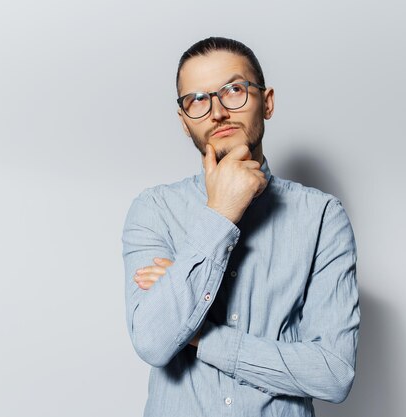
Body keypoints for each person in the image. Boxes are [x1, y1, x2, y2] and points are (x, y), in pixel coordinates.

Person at [122, 36, 360, 417]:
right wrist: (220, 213)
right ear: (184, 122)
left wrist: (200, 334)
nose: (216, 111)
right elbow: (152, 341)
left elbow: (333, 374)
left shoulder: (321, 216)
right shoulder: (154, 209)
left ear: (266, 102)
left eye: (234, 90)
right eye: (197, 99)